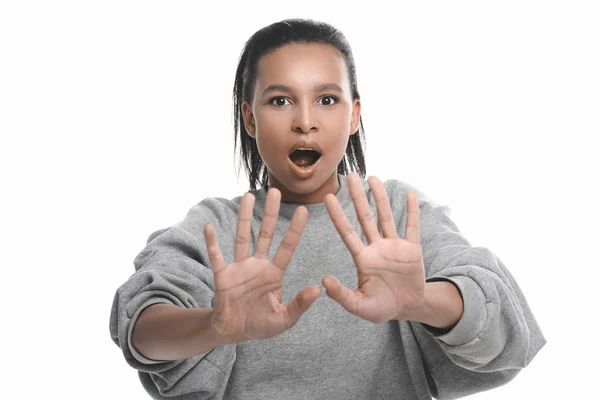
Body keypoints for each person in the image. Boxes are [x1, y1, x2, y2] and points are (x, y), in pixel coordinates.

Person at [109, 18, 546, 400]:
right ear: (249, 118)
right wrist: (213, 326)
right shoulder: (219, 225)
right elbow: (140, 323)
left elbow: (504, 322)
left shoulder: (394, 211)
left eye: (327, 99)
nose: (304, 120)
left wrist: (422, 302)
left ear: (354, 115)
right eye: (280, 100)